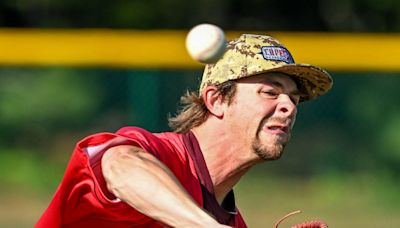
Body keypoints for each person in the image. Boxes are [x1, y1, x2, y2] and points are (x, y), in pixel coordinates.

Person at [36, 34, 332, 228]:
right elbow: (118, 166)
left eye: (294, 99)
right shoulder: (156, 153)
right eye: (270, 91)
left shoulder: (231, 221)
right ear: (216, 101)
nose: (289, 106)